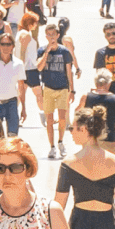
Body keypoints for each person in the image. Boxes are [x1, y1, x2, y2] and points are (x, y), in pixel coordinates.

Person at [36, 24, 77, 158]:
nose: (51, 37)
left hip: (62, 88)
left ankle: (60, 141)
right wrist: (47, 52)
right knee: (49, 119)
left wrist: (72, 90)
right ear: (46, 36)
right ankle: (52, 146)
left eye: (54, 34)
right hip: (48, 88)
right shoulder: (42, 50)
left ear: (58, 35)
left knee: (62, 118)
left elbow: (69, 71)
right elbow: (39, 68)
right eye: (49, 34)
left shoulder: (64, 51)